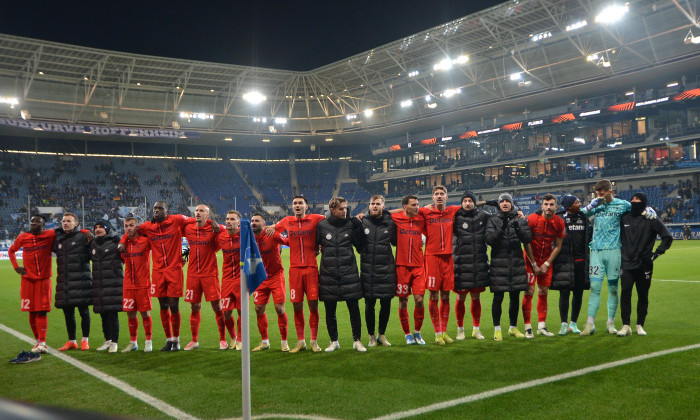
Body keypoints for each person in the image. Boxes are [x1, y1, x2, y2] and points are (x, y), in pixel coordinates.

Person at [120, 201, 213, 351]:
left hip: (174, 271)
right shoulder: (147, 227)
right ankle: (168, 339)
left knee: (174, 305)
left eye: (160, 208)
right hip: (157, 272)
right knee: (163, 305)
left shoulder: (177, 220)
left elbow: (198, 220)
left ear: (167, 211)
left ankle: (176, 341)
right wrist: (122, 241)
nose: (156, 211)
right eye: (155, 208)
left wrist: (212, 222)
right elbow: (131, 231)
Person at [579, 180, 656, 336]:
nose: (599, 196)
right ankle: (590, 324)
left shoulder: (622, 205)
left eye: (601, 193)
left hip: (614, 251)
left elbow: (636, 209)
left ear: (610, 192)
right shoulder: (596, 205)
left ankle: (610, 323)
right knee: (594, 288)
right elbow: (582, 214)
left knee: (613, 288)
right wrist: (592, 204)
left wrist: (649, 208)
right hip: (596, 251)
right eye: (597, 193)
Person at [266, 195, 325, 353]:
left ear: (306, 206)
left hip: (311, 268)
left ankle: (314, 341)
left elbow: (332, 222)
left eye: (300, 203)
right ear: (292, 207)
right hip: (295, 271)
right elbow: (271, 229)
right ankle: (301, 342)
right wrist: (260, 227)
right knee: (297, 306)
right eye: (294, 203)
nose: (297, 205)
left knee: (313, 305)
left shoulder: (316, 219)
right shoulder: (286, 221)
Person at [617, 192, 673, 336]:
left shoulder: (651, 218)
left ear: (644, 202)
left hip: (644, 265)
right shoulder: (624, 218)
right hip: (627, 264)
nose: (634, 201)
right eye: (633, 198)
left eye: (638, 199)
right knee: (625, 294)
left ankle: (640, 325)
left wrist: (656, 254)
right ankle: (625, 325)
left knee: (643, 295)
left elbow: (667, 237)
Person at [316, 197, 365, 352]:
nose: (344, 211)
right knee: (330, 311)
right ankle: (334, 341)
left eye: (345, 208)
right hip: (328, 275)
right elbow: (315, 246)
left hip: (349, 273)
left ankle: (357, 340)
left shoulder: (351, 224)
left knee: (354, 309)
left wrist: (359, 229)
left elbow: (360, 246)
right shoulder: (322, 226)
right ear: (332, 210)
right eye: (341, 209)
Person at [485, 194, 535, 341]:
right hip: (499, 264)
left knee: (515, 297)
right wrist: (502, 228)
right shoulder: (493, 220)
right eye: (502, 201)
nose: (505, 203)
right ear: (499, 204)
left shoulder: (519, 219)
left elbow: (527, 239)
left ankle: (513, 327)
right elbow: (489, 240)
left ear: (512, 204)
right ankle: (497, 329)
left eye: (508, 201)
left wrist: (519, 228)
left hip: (516, 263)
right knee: (498, 297)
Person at [418, 185, 460, 345]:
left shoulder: (452, 211)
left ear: (447, 197)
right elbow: (407, 210)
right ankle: (437, 333)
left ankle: (443, 331)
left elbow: (470, 205)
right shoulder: (425, 212)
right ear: (433, 198)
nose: (439, 196)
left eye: (442, 194)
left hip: (448, 258)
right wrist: (422, 207)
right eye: (436, 194)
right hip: (432, 258)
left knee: (446, 296)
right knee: (434, 295)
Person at [182, 204, 226, 351]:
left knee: (217, 306)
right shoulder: (188, 228)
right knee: (194, 306)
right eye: (196, 211)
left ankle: (223, 339)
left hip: (210, 274)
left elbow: (228, 229)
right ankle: (194, 340)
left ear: (208, 215)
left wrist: (213, 223)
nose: (198, 213)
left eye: (202, 211)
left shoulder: (214, 229)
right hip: (193, 274)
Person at [8, 216, 55, 354]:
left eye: (37, 222)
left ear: (43, 225)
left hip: (44, 280)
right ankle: (37, 341)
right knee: (32, 311)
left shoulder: (50, 234)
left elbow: (67, 229)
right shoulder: (23, 237)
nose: (33, 224)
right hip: (27, 280)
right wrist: (16, 267)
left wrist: (84, 231)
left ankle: (43, 342)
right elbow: (11, 251)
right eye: (32, 222)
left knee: (42, 310)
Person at [521, 194, 565, 338]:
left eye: (551, 204)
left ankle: (541, 326)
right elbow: (526, 243)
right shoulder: (532, 219)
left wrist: (546, 264)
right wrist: (533, 263)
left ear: (556, 207)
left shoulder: (559, 222)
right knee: (529, 291)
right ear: (541, 206)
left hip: (546, 261)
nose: (548, 207)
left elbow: (558, 246)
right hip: (529, 260)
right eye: (546, 204)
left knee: (543, 292)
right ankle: (528, 327)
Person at [359, 195, 396, 347]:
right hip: (369, 271)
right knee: (369, 305)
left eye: (378, 204)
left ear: (383, 205)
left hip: (386, 270)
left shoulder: (391, 222)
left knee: (386, 303)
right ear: (369, 206)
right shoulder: (362, 222)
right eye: (372, 204)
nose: (374, 206)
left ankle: (382, 334)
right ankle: (371, 336)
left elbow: (395, 242)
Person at [551, 195, 591, 335]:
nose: (580, 203)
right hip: (564, 261)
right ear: (569, 206)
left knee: (578, 293)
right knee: (564, 292)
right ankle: (563, 324)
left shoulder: (584, 218)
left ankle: (573, 323)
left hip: (581, 261)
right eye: (577, 202)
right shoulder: (559, 218)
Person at [452, 191, 489, 340]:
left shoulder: (483, 216)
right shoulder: (455, 217)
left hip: (478, 263)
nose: (467, 203)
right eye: (465, 201)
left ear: (474, 202)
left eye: (470, 201)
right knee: (460, 298)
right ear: (461, 203)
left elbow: (500, 217)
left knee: (476, 297)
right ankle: (460, 329)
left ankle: (476, 329)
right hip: (461, 263)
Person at [54, 212, 94, 351]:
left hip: (81, 281)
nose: (65, 223)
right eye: (63, 221)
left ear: (76, 223)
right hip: (65, 282)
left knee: (84, 312)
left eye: (69, 221)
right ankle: (72, 341)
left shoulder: (84, 237)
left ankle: (85, 340)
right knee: (68, 314)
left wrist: (86, 231)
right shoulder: (58, 237)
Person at [391, 195, 427, 345]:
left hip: (419, 266)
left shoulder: (421, 219)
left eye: (418, 204)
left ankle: (417, 332)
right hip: (402, 266)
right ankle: (407, 334)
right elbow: (383, 213)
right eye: (413, 205)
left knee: (419, 299)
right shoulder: (396, 218)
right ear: (405, 207)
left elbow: (431, 209)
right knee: (403, 300)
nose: (417, 207)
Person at [251, 213, 290, 352]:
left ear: (264, 223)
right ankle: (264, 341)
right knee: (258, 309)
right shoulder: (249, 237)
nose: (254, 223)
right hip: (260, 278)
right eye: (252, 221)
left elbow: (288, 242)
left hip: (275, 276)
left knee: (279, 308)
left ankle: (284, 342)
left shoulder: (271, 234)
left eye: (257, 221)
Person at [90, 220, 124, 353]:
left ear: (107, 229)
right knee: (103, 314)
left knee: (112, 313)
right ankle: (108, 340)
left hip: (113, 283)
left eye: (101, 227)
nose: (98, 229)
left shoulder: (116, 242)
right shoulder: (92, 243)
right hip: (98, 284)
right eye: (96, 227)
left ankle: (114, 342)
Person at [120, 216, 154, 352]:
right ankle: (133, 342)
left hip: (143, 284)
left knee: (145, 314)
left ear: (137, 227)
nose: (128, 228)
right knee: (130, 314)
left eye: (131, 225)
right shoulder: (124, 245)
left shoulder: (146, 241)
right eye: (126, 225)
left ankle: (148, 341)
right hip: (128, 285)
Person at [216, 210, 242, 350]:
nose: (228, 221)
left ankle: (240, 339)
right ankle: (232, 337)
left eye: (232, 219)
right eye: (227, 219)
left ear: (238, 223)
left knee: (241, 312)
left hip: (241, 280)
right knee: (226, 312)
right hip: (226, 280)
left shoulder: (244, 236)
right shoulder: (220, 237)